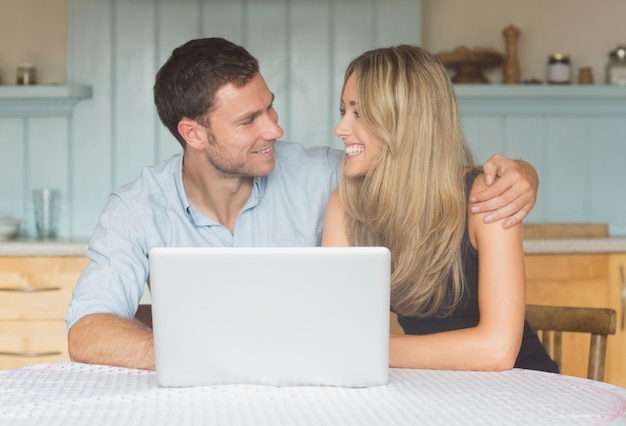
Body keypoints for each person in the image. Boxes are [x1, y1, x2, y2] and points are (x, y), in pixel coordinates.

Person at [66, 38, 540, 371]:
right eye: (250, 119)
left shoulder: (337, 177)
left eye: (269, 107)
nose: (275, 129)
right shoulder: (137, 209)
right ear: (194, 134)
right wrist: (201, 354)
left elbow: (413, 167)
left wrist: (522, 173)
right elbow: (86, 330)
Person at [321, 44, 557, 373]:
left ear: (405, 121)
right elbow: (336, 328)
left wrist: (367, 347)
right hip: (436, 386)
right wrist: (351, 345)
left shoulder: (484, 195)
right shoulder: (345, 206)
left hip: (520, 389)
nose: (341, 128)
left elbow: (498, 350)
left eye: (358, 112)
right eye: (343, 110)